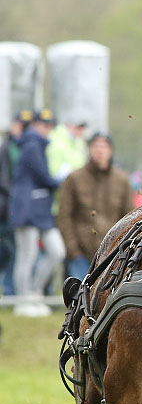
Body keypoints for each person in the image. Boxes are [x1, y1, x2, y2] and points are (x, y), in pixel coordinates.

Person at [7, 109, 65, 316]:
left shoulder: (37, 145)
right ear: (35, 125)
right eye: (43, 125)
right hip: (26, 210)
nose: (47, 129)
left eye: (50, 126)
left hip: (41, 211)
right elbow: (44, 178)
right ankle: (23, 300)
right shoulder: (32, 145)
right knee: (27, 256)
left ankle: (35, 292)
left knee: (57, 251)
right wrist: (63, 179)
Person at [56, 133, 133, 279]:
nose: (100, 150)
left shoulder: (122, 180)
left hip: (113, 252)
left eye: (104, 146)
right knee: (81, 297)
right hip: (81, 252)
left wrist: (125, 247)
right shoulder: (74, 178)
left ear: (110, 151)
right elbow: (64, 216)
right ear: (89, 150)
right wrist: (73, 250)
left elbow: (130, 216)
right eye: (96, 146)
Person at [0, 110, 32, 296]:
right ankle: (9, 288)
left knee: (15, 252)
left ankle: (10, 289)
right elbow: (5, 179)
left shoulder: (24, 147)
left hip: (17, 207)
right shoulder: (6, 147)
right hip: (6, 207)